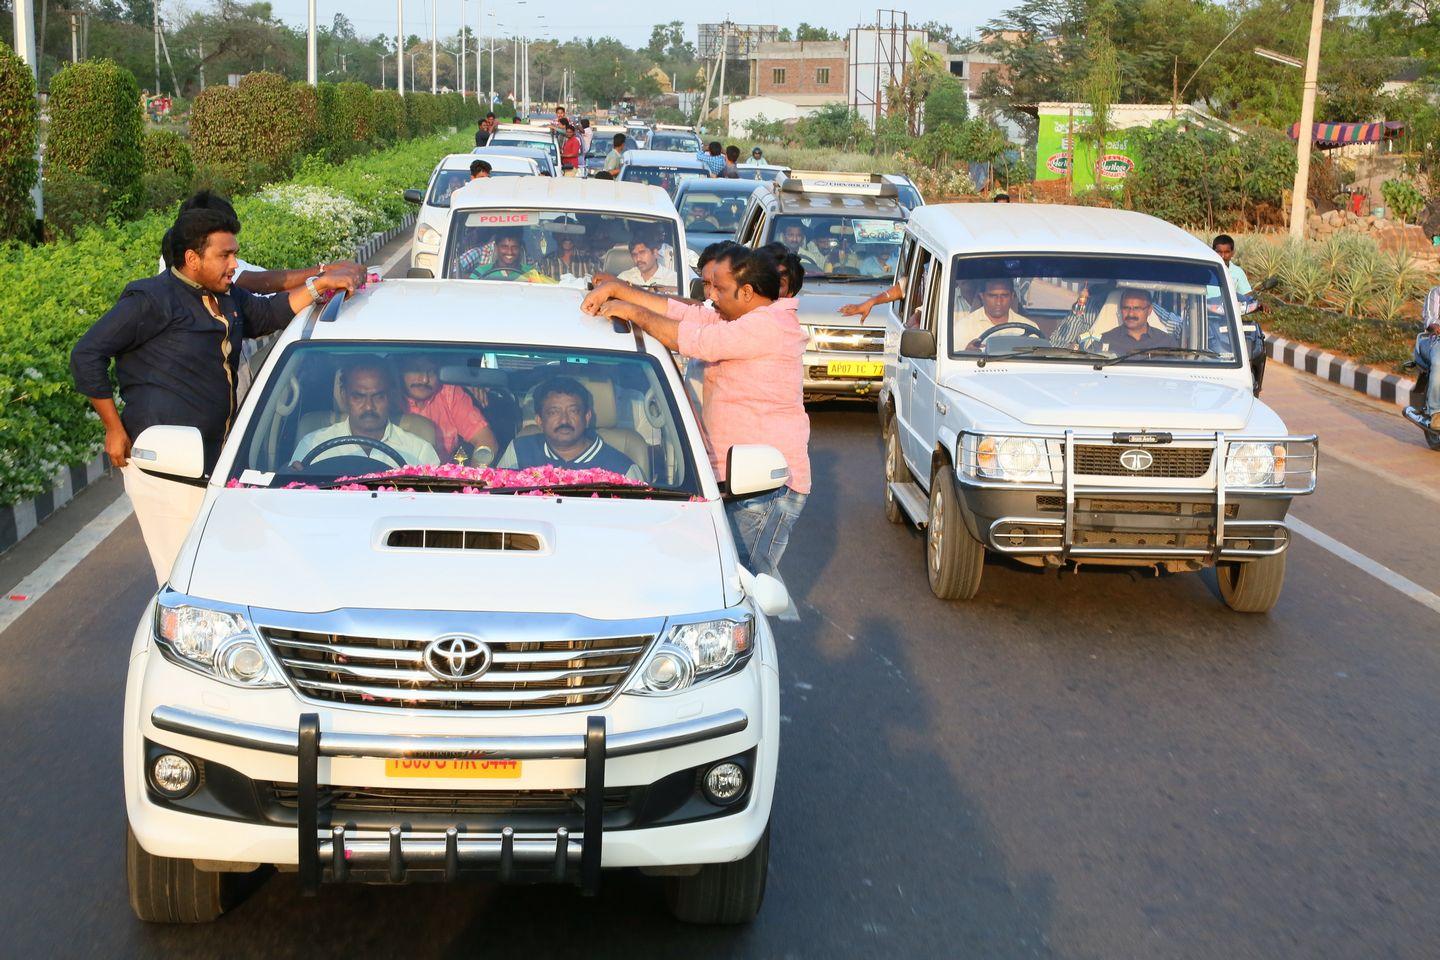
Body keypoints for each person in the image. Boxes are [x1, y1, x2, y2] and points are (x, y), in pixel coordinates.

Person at [71, 207, 356, 584]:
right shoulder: (151, 299)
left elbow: (268, 314)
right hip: (168, 470)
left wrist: (319, 285)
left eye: (234, 254)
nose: (234, 264)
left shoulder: (227, 296)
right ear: (192, 259)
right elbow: (86, 354)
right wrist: (113, 429)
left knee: (224, 571)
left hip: (217, 463)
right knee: (185, 577)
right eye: (225, 255)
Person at [582, 247, 809, 603]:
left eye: (720, 289)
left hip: (763, 486)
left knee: (736, 593)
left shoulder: (768, 325)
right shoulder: (742, 318)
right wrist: (621, 291)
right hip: (732, 479)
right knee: (714, 586)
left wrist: (630, 309)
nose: (711, 298)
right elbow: (685, 314)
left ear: (747, 292)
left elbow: (691, 338)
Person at [291, 359, 440, 468]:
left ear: (391, 396)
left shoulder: (419, 451)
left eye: (378, 396)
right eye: (358, 397)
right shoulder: (313, 445)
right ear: (344, 396)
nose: (369, 406)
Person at [496, 377, 643, 479]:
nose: (564, 420)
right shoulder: (519, 451)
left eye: (573, 411)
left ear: (587, 417)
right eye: (553, 412)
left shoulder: (621, 469)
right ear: (539, 420)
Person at [398, 354, 498, 463]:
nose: (425, 379)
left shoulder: (449, 395)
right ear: (400, 370)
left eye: (431, 371)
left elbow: (486, 442)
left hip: (442, 473)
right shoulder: (388, 398)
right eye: (416, 370)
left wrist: (473, 473)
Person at [955, 278, 1031, 349]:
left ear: (1012, 296)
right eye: (992, 296)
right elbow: (954, 356)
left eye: (1004, 295)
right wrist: (967, 353)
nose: (999, 302)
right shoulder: (963, 327)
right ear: (982, 296)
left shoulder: (1028, 327)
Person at [1099, 288, 1179, 354]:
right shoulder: (1107, 340)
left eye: (1137, 308)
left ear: (1149, 310)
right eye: (1126, 308)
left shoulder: (1166, 342)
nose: (1131, 314)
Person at [1414, 286, 1440, 429]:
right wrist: (1434, 326)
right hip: (1436, 341)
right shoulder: (1436, 293)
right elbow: (1430, 319)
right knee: (1439, 363)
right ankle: (1436, 413)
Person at [466, 230, 537, 281]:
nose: (510, 252)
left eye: (514, 247)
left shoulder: (532, 273)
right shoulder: (480, 272)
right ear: (496, 247)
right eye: (504, 247)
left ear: (520, 249)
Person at [1211, 233, 1252, 298]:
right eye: (1219, 252)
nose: (1222, 256)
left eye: (1227, 252)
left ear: (1232, 253)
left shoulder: (1238, 272)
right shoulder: (1205, 270)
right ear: (1212, 252)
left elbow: (1247, 296)